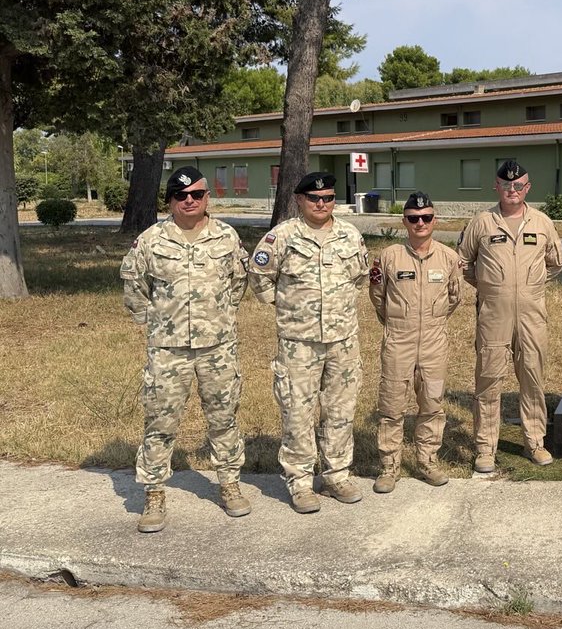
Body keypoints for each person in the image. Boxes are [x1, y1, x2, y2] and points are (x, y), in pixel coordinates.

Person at [119, 168, 250, 533]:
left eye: (195, 193)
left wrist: (219, 317)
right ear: (170, 201)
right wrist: (157, 321)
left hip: (217, 346)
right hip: (168, 349)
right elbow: (133, 283)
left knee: (223, 418)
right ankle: (154, 493)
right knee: (160, 422)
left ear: (208, 197)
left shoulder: (226, 236)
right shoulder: (151, 240)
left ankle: (229, 483)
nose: (188, 200)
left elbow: (238, 282)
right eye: (180, 195)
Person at [248, 171, 369, 513]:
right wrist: (288, 307)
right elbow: (259, 277)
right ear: (299, 200)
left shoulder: (349, 234)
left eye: (328, 198)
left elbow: (359, 278)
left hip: (343, 341)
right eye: (314, 198)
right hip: (298, 343)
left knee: (341, 410)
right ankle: (300, 482)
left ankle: (336, 476)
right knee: (298, 413)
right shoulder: (282, 237)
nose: (321, 203)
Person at [458, 159, 562, 473]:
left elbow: (555, 263)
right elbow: (464, 264)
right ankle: (485, 449)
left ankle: (535, 442)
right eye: (506, 185)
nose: (512, 190)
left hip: (532, 317)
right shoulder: (482, 222)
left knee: (532, 378)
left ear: (527, 188)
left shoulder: (542, 222)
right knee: (489, 381)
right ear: (497, 186)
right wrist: (493, 288)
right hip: (493, 316)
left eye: (518, 185)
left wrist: (528, 288)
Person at [369, 192, 462, 491]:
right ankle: (389, 465)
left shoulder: (448, 257)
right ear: (404, 221)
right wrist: (400, 322)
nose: (420, 223)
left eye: (426, 218)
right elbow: (378, 297)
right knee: (392, 405)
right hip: (399, 340)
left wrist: (431, 322)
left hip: (434, 343)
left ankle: (427, 460)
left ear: (435, 220)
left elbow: (454, 297)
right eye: (413, 218)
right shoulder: (389, 256)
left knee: (431, 404)